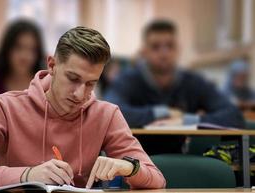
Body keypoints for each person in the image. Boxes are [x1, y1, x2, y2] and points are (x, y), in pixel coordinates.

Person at [0, 26, 165, 192]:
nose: (80, 94)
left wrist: (130, 168)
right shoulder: (5, 107)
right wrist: (28, 175)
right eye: (73, 79)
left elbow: (157, 180)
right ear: (52, 65)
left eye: (91, 83)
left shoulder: (107, 115)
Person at [104, 19, 245, 154]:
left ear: (178, 49)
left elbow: (234, 116)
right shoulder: (128, 80)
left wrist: (186, 120)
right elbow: (108, 112)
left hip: (183, 161)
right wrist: (162, 113)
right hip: (133, 161)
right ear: (144, 51)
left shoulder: (193, 82)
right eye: (155, 47)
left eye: (170, 46)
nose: (164, 53)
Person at [0, 19, 45, 124]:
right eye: (19, 47)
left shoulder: (44, 82)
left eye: (32, 49)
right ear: (7, 48)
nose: (25, 55)